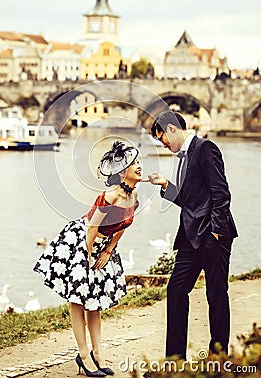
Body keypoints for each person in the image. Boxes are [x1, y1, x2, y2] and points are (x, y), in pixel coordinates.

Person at [34, 141, 142, 377]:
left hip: (102, 245)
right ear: (122, 171)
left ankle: (98, 353)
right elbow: (91, 228)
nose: (140, 167)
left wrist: (109, 250)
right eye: (135, 164)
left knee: (95, 302)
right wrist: (88, 255)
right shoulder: (109, 196)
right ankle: (83, 355)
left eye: (139, 162)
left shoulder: (133, 195)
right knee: (79, 299)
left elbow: (124, 224)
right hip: (81, 242)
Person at [146, 111, 238, 360]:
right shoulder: (183, 157)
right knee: (176, 291)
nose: (162, 143)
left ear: (171, 129)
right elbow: (191, 200)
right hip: (190, 236)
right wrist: (166, 185)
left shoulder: (206, 148)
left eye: (162, 137)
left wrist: (217, 232)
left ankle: (217, 359)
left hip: (212, 234)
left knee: (216, 294)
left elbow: (221, 193)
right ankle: (174, 362)